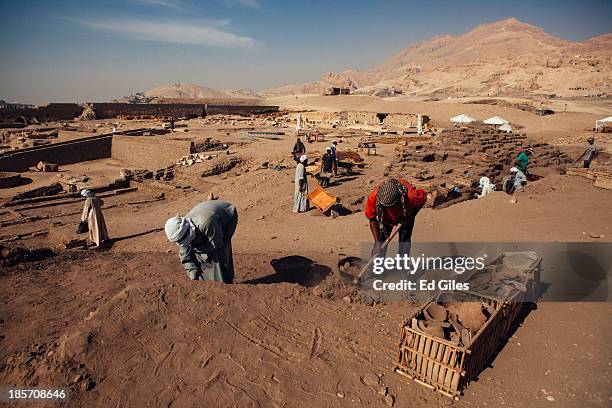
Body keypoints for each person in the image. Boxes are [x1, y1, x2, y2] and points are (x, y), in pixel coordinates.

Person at [165, 200, 238, 283]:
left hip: (227, 216)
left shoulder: (206, 224)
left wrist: (200, 252)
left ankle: (225, 281)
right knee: (197, 250)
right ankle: (207, 278)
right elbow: (185, 254)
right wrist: (194, 275)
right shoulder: (179, 232)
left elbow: (217, 245)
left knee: (218, 252)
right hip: (206, 214)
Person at [364, 178, 427, 257]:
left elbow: (423, 199)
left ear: (399, 200)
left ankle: (402, 265)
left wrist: (411, 216)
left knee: (404, 241)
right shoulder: (374, 197)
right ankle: (378, 265)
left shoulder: (411, 196)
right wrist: (377, 242)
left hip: (406, 215)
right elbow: (372, 218)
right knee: (381, 241)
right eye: (384, 207)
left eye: (390, 206)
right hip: (385, 218)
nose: (387, 208)